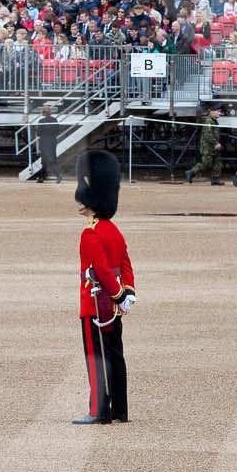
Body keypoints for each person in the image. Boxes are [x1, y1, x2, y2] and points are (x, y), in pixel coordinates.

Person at [73, 151, 135, 425]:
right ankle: (119, 410)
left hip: (96, 304)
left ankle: (99, 409)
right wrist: (127, 293)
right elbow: (125, 264)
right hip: (115, 307)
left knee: (96, 357)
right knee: (115, 355)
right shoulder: (113, 230)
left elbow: (100, 270)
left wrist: (117, 294)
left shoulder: (91, 233)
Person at [191, 103, 223, 185]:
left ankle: (215, 179)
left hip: (214, 147)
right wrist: (216, 143)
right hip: (208, 147)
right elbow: (207, 135)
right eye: (218, 111)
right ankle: (191, 172)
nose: (220, 113)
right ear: (212, 112)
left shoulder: (214, 121)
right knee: (206, 164)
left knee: (217, 162)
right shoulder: (208, 121)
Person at [34, 104, 64, 183]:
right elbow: (58, 131)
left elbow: (38, 133)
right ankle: (41, 178)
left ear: (43, 113)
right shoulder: (55, 120)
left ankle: (58, 174)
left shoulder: (41, 121)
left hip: (44, 141)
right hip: (53, 141)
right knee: (47, 160)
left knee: (49, 160)